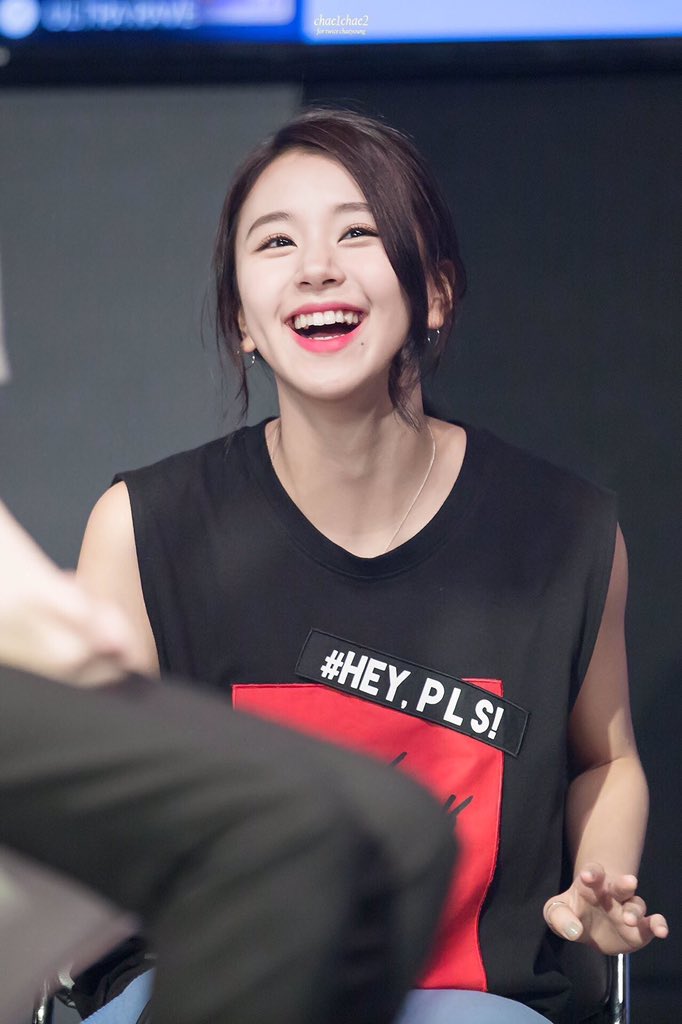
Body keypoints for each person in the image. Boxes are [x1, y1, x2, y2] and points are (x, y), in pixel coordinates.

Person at [77, 108, 668, 1022]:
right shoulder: (143, 530)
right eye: (277, 241)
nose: (317, 266)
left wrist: (595, 887)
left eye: (357, 232)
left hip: (468, 1001)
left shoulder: (564, 532)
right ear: (240, 318)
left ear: (435, 293)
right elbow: (74, 797)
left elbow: (607, 759)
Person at [0, 344, 458, 1021]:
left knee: (401, 834)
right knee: (287, 833)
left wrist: (32, 592)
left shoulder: (553, 520)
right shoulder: (151, 513)